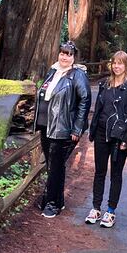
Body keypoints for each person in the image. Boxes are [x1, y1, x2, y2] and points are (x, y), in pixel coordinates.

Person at [34, 40, 91, 219]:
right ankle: (56, 200)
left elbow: (85, 101)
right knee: (53, 165)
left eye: (68, 54)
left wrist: (77, 128)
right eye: (62, 53)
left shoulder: (77, 75)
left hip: (63, 129)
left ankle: (52, 204)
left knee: (56, 165)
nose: (64, 57)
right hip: (46, 126)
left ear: (74, 58)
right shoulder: (53, 71)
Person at [85, 51, 127, 228]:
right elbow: (99, 110)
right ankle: (96, 207)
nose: (117, 66)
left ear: (126, 66)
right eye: (114, 63)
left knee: (116, 174)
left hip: (119, 137)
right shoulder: (104, 85)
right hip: (102, 133)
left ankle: (110, 210)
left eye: (120, 63)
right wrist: (92, 131)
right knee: (99, 172)